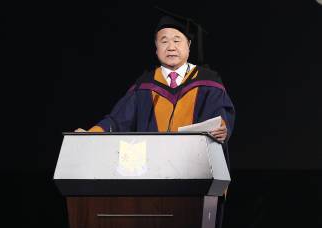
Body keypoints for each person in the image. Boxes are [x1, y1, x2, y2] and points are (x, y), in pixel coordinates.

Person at [76, 15, 235, 158]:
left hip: (196, 164)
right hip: (153, 168)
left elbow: (220, 115)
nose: (171, 47)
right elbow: (118, 120)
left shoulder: (208, 81)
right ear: (156, 48)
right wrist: (91, 134)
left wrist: (223, 128)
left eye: (177, 40)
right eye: (164, 41)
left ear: (189, 44)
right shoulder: (144, 86)